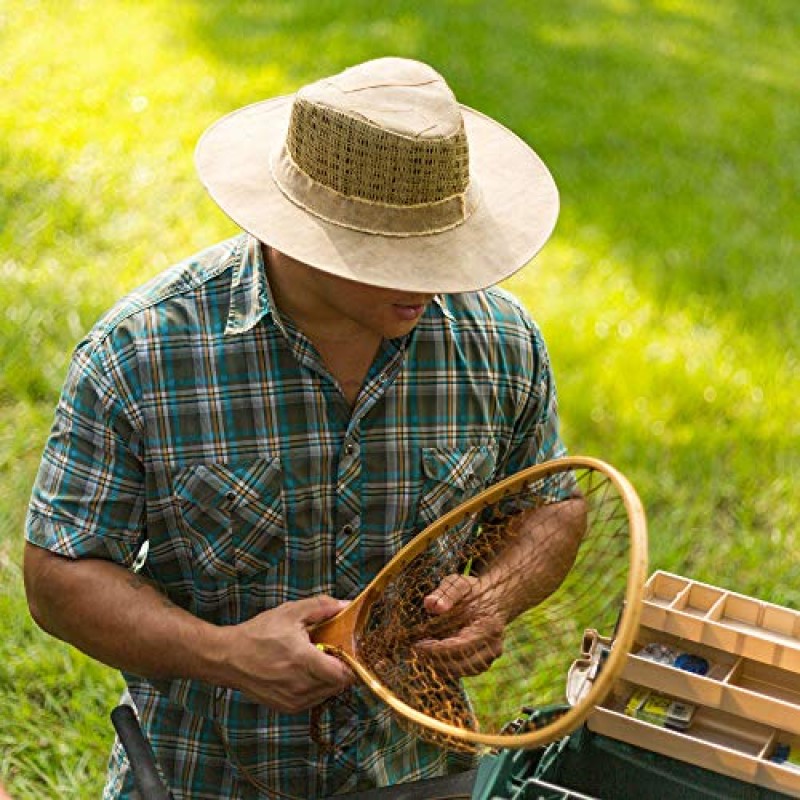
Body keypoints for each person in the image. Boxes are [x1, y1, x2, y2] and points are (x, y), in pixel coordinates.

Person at [23, 57, 577, 799]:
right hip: (204, 779)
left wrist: (496, 594)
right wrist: (225, 654)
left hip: (420, 771)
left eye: (438, 249)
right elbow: (60, 574)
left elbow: (551, 503)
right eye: (394, 255)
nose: (429, 281)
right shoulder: (144, 352)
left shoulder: (500, 345)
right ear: (299, 233)